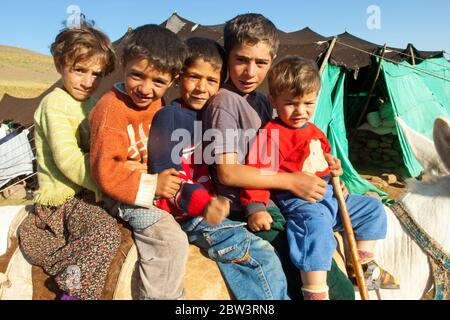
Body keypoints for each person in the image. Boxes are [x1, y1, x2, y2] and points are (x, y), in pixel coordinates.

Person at [202, 13, 356, 300]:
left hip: (279, 201)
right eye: (241, 60)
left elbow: (285, 152)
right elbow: (228, 172)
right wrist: (293, 182)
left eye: (260, 62)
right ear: (227, 58)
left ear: (272, 60)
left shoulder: (261, 101)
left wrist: (323, 173)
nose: (250, 72)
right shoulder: (225, 102)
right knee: (336, 288)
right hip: (248, 208)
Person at [241, 56, 399, 300]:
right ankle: (315, 290)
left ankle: (362, 266)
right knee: (314, 229)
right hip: (301, 202)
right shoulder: (272, 135)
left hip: (331, 199)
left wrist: (335, 172)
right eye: (291, 103)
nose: (300, 111)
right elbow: (259, 172)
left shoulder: (315, 131)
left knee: (373, 207)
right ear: (273, 100)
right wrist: (255, 208)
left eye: (308, 103)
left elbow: (320, 160)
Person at [147, 37, 289, 300]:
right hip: (188, 215)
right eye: (193, 77)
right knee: (261, 255)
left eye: (211, 80)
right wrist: (205, 205)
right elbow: (168, 179)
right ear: (178, 77)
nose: (202, 88)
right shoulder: (169, 117)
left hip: (210, 208)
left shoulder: (208, 115)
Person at [18, 23, 121, 300]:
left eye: (97, 74)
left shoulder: (94, 102)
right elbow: (68, 160)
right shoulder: (55, 103)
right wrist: (112, 181)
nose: (88, 81)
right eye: (79, 70)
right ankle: (74, 290)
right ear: (59, 64)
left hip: (91, 190)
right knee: (105, 235)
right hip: (65, 198)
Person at [89, 24, 189, 300]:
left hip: (152, 184)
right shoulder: (111, 109)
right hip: (123, 195)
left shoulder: (160, 104)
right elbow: (104, 171)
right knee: (170, 239)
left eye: (158, 82)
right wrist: (152, 184)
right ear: (123, 63)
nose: (145, 89)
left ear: (173, 79)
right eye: (137, 76)